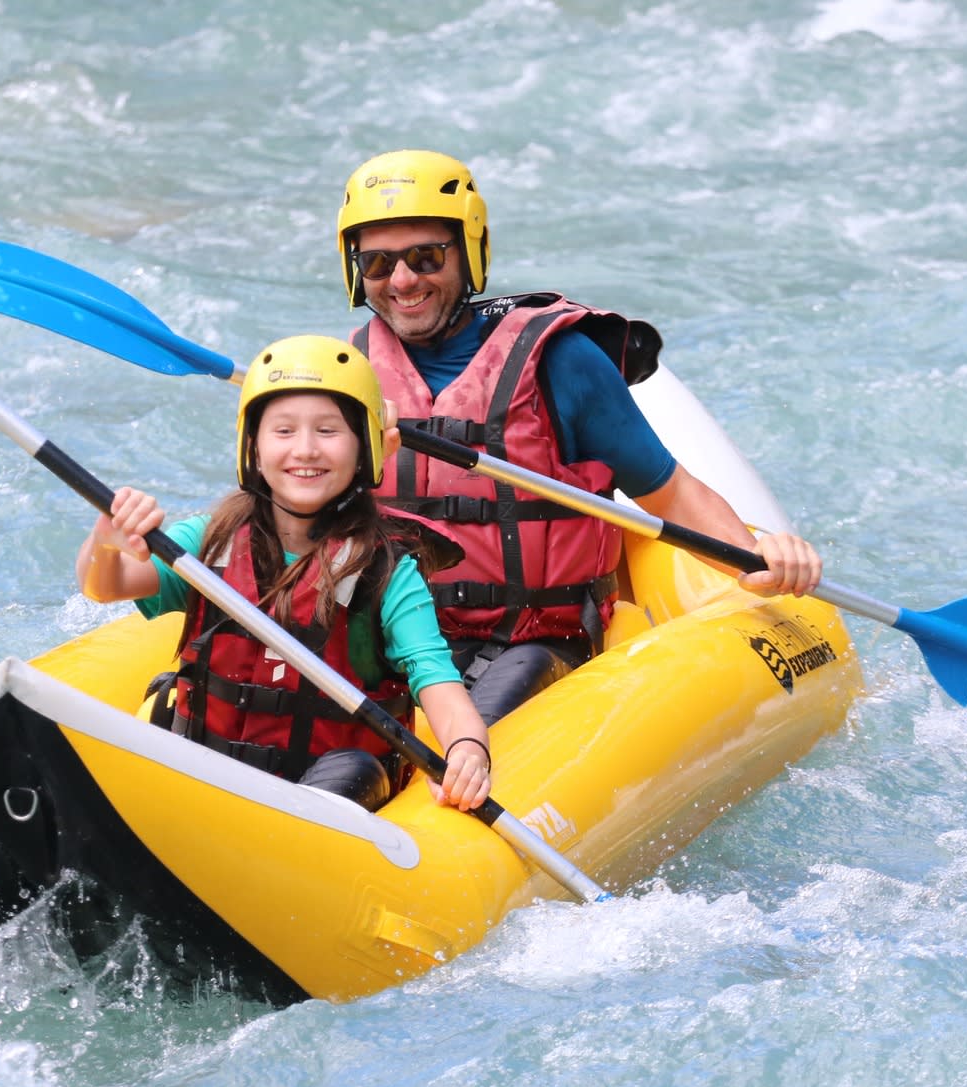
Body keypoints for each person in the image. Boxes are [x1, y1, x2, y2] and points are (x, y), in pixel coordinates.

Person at [336, 149, 825, 725]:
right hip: (398, 642)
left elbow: (671, 494)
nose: (402, 280)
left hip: (529, 645)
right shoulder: (348, 378)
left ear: (468, 251)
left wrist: (754, 561)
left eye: (426, 257)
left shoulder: (563, 362)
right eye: (377, 263)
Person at [76, 334, 493, 814]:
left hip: (326, 802)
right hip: (207, 772)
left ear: (366, 449)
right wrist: (105, 542)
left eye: (328, 430)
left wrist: (467, 748)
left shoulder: (386, 571)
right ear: (253, 446)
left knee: (354, 770)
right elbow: (104, 586)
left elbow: (437, 681)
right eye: (284, 431)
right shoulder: (210, 540)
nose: (306, 449)